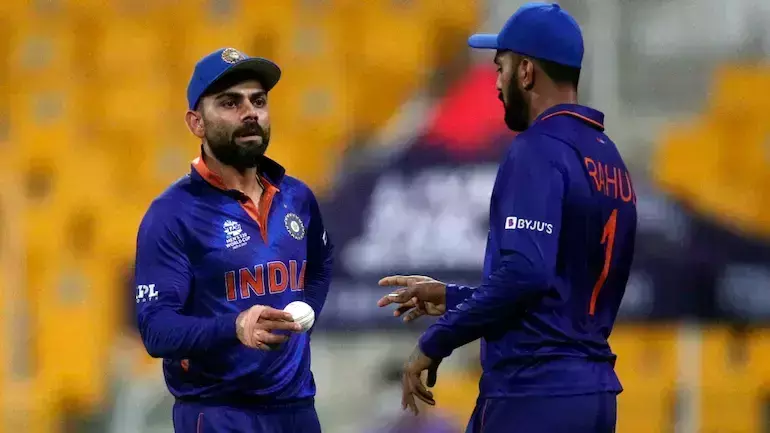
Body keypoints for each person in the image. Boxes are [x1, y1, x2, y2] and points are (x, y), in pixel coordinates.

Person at [377, 3, 637, 433]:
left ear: (527, 71)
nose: (496, 82)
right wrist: (455, 298)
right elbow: (554, 294)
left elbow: (525, 274)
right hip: (594, 398)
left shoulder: (538, 148)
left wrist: (436, 340)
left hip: (532, 394)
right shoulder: (609, 158)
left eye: (501, 67)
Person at [134, 47, 333, 433]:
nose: (250, 112)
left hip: (298, 411)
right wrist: (235, 326)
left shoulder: (298, 198)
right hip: (218, 414)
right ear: (196, 123)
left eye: (258, 101)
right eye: (230, 103)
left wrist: (304, 314)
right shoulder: (172, 214)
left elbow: (321, 262)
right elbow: (157, 330)